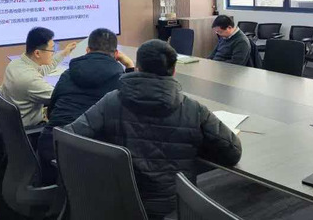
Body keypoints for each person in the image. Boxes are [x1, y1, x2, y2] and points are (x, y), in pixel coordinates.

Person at [66, 39, 242, 219]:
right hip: (174, 208)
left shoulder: (111, 101)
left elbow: (69, 137)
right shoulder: (193, 109)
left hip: (121, 202)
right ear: (174, 71)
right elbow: (232, 153)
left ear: (137, 68)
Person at [37, 28, 135, 184]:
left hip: (53, 148)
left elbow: (51, 112)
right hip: (94, 156)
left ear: (87, 50)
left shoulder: (67, 75)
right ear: (116, 54)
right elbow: (130, 113)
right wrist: (130, 67)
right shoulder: (120, 81)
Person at [2, 27, 76, 127]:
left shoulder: (15, 64)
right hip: (30, 129)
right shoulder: (31, 80)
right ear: (37, 53)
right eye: (52, 49)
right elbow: (60, 97)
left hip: (11, 124)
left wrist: (63, 53)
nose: (53, 52)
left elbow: (44, 68)